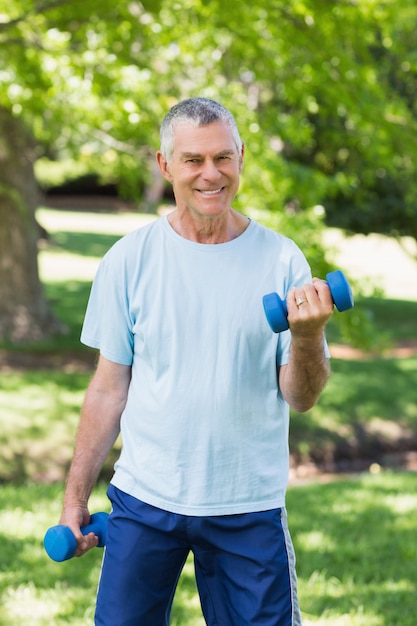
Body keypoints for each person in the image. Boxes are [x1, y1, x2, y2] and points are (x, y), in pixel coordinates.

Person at [58, 97, 333, 626]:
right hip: (144, 500)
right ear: (165, 166)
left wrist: (307, 337)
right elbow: (108, 389)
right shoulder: (129, 259)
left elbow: (301, 397)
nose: (211, 174)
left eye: (223, 158)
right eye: (193, 160)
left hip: (246, 505)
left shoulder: (282, 260)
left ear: (242, 159)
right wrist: (75, 499)